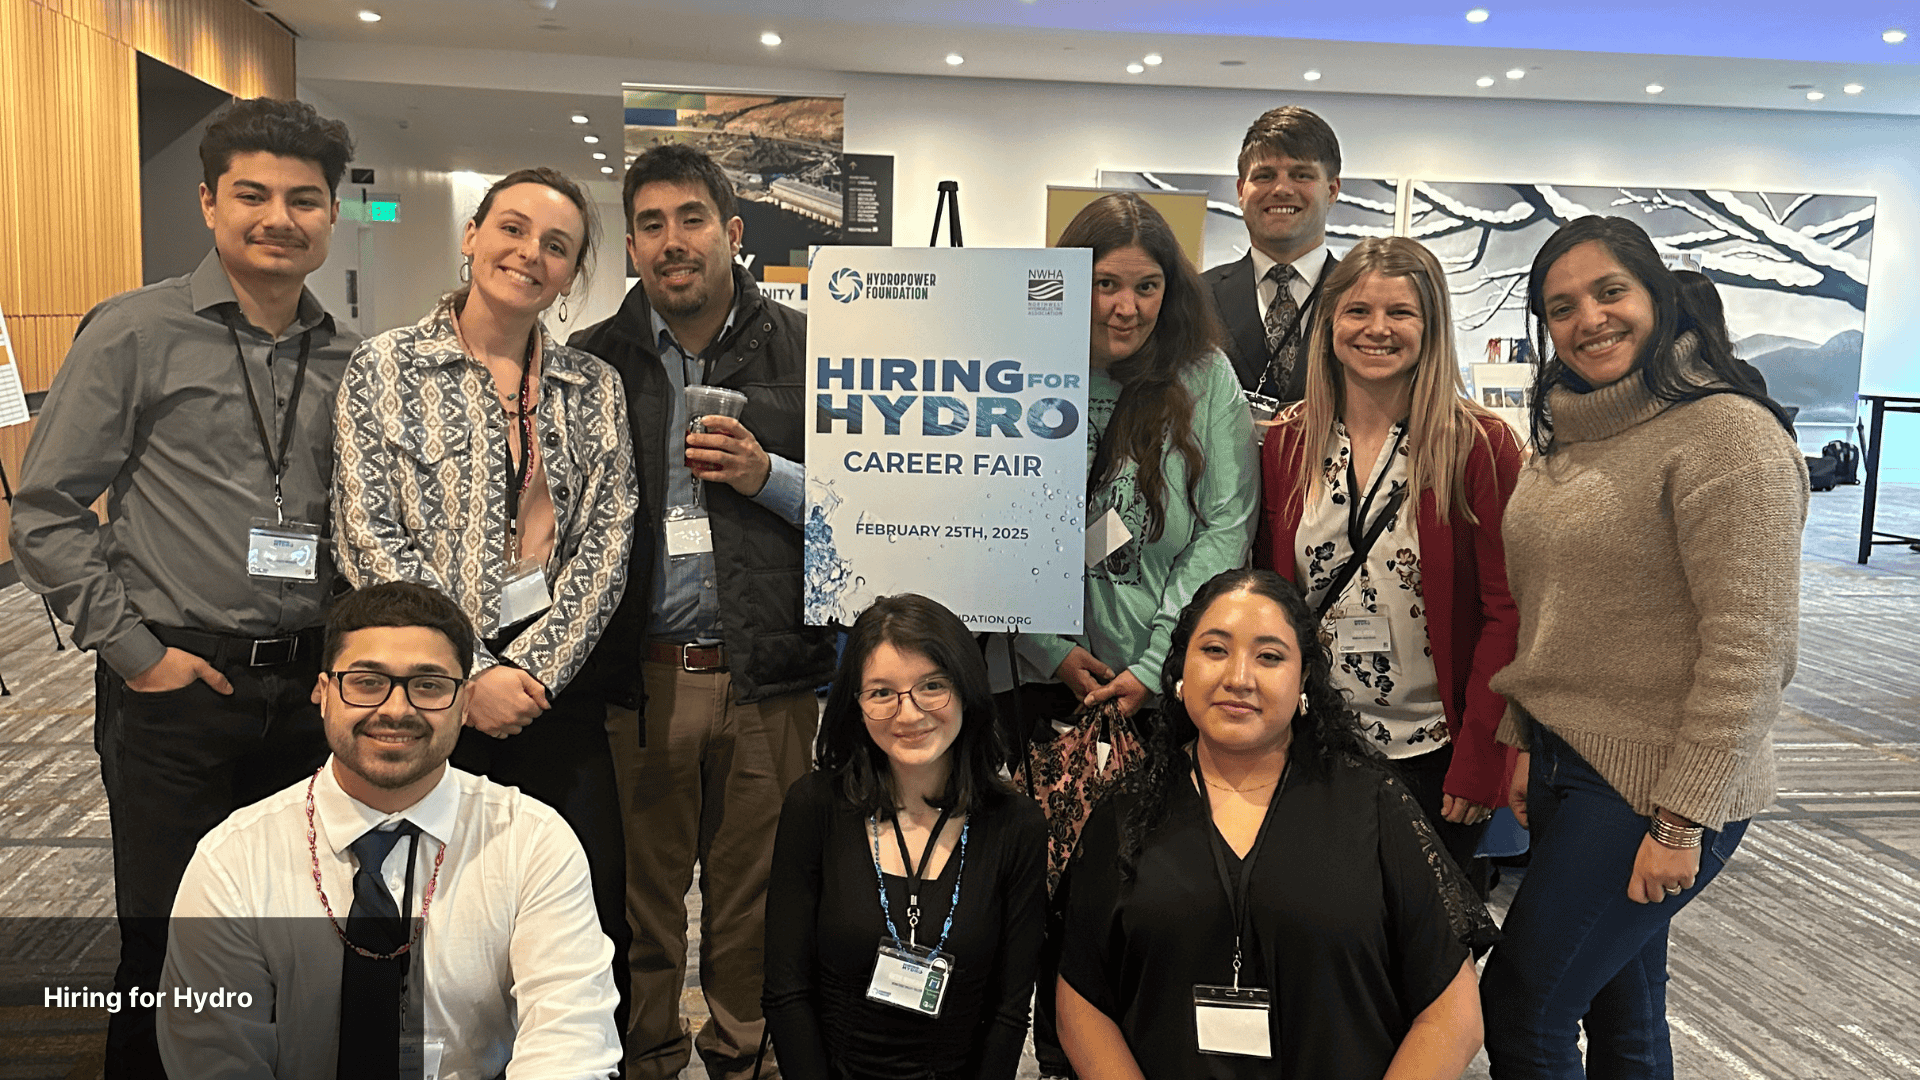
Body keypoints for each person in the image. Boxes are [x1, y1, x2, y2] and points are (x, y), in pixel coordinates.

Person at [8, 96, 359, 1078]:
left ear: (332, 214)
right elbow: (45, 511)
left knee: (294, 939)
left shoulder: (348, 356)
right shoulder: (135, 331)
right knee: (167, 948)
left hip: (308, 692)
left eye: (303, 199)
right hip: (177, 685)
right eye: (252, 195)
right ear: (209, 202)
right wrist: (138, 656)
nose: (278, 218)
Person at [1481, 215, 1808, 1078]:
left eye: (1609, 292)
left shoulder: (1728, 437)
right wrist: (1525, 738)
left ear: (1657, 296)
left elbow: (1751, 651)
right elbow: (1554, 607)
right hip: (1565, 761)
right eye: (1560, 307)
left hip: (1657, 782)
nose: (1587, 319)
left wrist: (1680, 819)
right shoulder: (1570, 430)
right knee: (1624, 1009)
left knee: (1523, 1006)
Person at [332, 166, 638, 1031]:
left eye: (557, 246)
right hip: (419, 696)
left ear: (572, 276)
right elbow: (366, 536)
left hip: (551, 696)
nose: (530, 253)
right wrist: (467, 677)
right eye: (513, 229)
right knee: (415, 917)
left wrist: (527, 674)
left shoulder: (593, 388)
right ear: (472, 235)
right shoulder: (384, 368)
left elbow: (607, 545)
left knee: (584, 917)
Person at [571, 143, 836, 1080]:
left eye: (691, 219)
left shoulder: (813, 348)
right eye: (650, 224)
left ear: (731, 231)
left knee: (753, 901)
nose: (671, 241)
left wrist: (769, 476)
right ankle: (645, 1056)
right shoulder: (590, 363)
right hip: (640, 679)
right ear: (632, 247)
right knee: (638, 901)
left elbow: (870, 505)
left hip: (770, 674)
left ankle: (741, 1054)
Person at [157, 581, 621, 1080]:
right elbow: (213, 1054)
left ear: (465, 703)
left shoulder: (531, 841)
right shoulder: (234, 859)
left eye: (428, 685)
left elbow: (570, 1037)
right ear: (322, 693)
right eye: (367, 682)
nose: (397, 709)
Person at [1055, 568, 1487, 1079]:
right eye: (1215, 650)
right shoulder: (1128, 811)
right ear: (1180, 671)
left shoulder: (1373, 806)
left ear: (1304, 680)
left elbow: (1452, 1014)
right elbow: (1081, 1002)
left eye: (1269, 656)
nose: (1239, 677)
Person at [1254, 236, 1522, 895]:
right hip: (1314, 743)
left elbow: (1509, 613)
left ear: (1431, 328)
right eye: (1357, 311)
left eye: (1400, 313)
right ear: (1329, 323)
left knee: (1419, 936)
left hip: (1434, 751)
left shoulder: (1479, 446)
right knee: (1318, 922)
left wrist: (1481, 759)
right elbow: (1271, 597)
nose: (1377, 329)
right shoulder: (1289, 440)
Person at [762, 594, 1048, 1080]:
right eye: (881, 693)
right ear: (855, 705)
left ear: (966, 689)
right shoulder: (814, 806)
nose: (909, 713)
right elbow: (786, 994)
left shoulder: (1016, 825)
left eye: (932, 686)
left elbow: (1008, 1013)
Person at [1202, 106, 1345, 407]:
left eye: (1301, 175)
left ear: (1332, 190)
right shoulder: (1195, 297)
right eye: (1264, 176)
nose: (1281, 189)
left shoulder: (1362, 294)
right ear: (1241, 191)